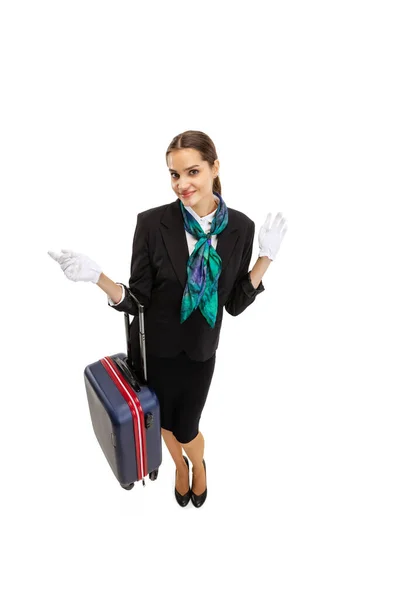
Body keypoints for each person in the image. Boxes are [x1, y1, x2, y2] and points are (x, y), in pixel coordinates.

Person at [48, 130, 288, 508]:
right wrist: (98, 279)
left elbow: (235, 303)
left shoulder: (241, 228)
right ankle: (178, 466)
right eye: (175, 175)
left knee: (187, 426)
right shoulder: (152, 224)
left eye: (192, 172)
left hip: (199, 353)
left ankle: (198, 463)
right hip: (154, 350)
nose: (182, 184)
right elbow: (138, 299)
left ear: (214, 168)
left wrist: (265, 259)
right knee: (161, 422)